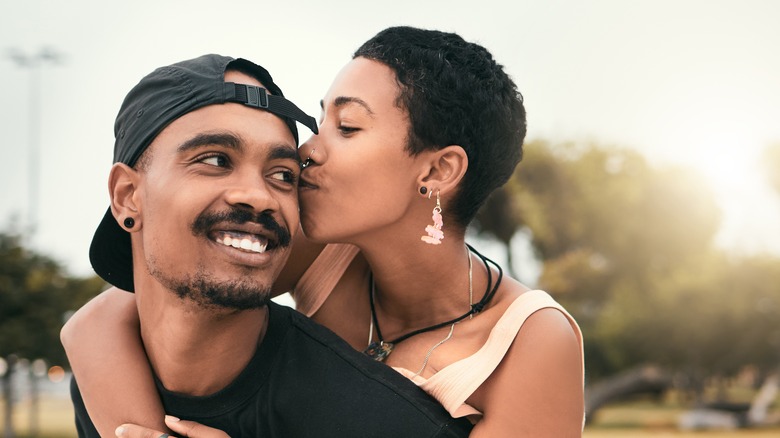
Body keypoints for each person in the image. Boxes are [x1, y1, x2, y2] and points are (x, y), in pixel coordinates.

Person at [63, 27, 585, 437]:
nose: (308, 150)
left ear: (437, 171)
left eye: (348, 128)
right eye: (319, 122)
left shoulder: (531, 342)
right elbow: (101, 320)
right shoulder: (323, 247)